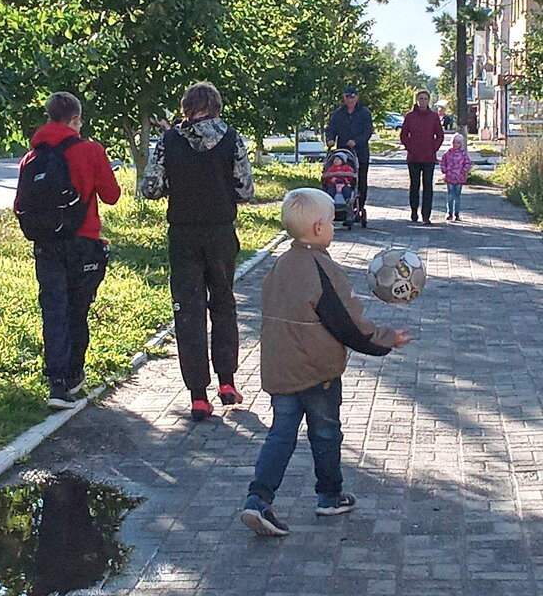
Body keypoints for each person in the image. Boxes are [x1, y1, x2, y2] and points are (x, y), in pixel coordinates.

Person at [241, 188, 411, 537]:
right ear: (318, 228)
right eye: (333, 221)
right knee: (325, 432)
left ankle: (257, 500)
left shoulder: (280, 265)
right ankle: (329, 495)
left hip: (280, 369)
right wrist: (386, 339)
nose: (335, 227)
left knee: (281, 435)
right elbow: (348, 324)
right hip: (317, 372)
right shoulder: (323, 270)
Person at [142, 82, 254, 422]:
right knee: (223, 303)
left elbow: (151, 188)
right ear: (216, 106)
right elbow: (246, 190)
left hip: (183, 235)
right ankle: (227, 382)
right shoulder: (233, 139)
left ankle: (197, 396)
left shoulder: (168, 141)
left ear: (186, 107)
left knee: (188, 312)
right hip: (220, 232)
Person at [17, 92, 121, 409]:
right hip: (83, 243)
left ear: (48, 117)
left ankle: (56, 383)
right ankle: (74, 373)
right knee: (78, 308)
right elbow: (112, 195)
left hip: (46, 244)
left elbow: (20, 205)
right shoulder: (90, 151)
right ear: (75, 119)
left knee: (53, 308)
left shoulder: (31, 158)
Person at [325, 86, 373, 220]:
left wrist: (356, 141)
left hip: (360, 152)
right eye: (347, 96)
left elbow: (368, 132)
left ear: (357, 97)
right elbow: (331, 129)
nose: (350, 99)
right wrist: (330, 139)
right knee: (341, 178)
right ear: (344, 98)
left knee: (360, 181)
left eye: (352, 96)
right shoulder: (338, 114)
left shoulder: (364, 113)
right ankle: (341, 207)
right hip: (343, 154)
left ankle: (359, 207)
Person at [400, 90, 444, 225]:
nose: (423, 101)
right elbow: (403, 135)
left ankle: (426, 215)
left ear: (428, 100)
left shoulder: (433, 117)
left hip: (429, 157)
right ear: (417, 100)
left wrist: (433, 148)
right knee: (414, 185)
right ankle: (414, 211)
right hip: (413, 157)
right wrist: (410, 147)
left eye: (425, 98)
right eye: (421, 98)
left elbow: (440, 135)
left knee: (428, 186)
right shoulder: (410, 116)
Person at [440, 132, 472, 222]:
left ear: (461, 144)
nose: (455, 145)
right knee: (450, 196)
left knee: (457, 196)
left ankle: (456, 213)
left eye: (458, 143)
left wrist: (464, 171)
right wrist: (445, 170)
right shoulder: (448, 153)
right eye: (454, 142)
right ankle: (449, 213)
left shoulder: (463, 154)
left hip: (459, 177)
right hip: (450, 177)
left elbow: (468, 163)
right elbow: (443, 162)